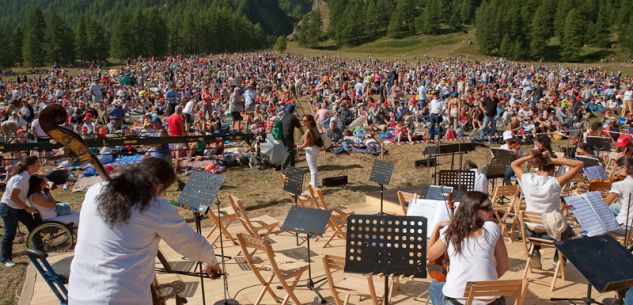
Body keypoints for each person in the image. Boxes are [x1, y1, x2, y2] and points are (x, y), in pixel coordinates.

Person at [68, 158, 221, 304]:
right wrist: (211, 261)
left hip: (78, 292)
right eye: (164, 192)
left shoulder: (95, 191)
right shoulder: (155, 206)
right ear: (159, 187)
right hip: (120, 296)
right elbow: (189, 243)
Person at [427, 191, 509, 305]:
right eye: (487, 207)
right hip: (491, 302)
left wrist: (437, 227)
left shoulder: (450, 231)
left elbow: (430, 255)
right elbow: (504, 266)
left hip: (457, 301)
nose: (493, 211)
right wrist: (484, 283)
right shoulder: (492, 227)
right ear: (474, 211)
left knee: (434, 287)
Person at [510, 149, 583, 269]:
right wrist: (553, 160)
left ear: (539, 167)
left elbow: (514, 164)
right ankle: (558, 259)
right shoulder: (555, 182)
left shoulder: (527, 179)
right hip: (550, 232)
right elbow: (579, 164)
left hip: (530, 229)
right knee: (570, 232)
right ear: (553, 170)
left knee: (538, 223)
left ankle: (534, 251)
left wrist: (530, 157)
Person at [1, 156, 41, 268]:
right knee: (10, 234)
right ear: (31, 166)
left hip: (17, 207)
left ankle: (38, 249)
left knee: (33, 226)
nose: (39, 166)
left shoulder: (26, 176)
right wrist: (26, 207)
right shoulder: (21, 178)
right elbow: (13, 197)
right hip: (9, 207)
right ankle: (5, 258)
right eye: (38, 164)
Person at [603, 156, 633, 236]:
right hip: (630, 222)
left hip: (624, 226)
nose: (616, 172)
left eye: (617, 169)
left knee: (597, 217)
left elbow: (603, 206)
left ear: (624, 168)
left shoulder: (619, 184)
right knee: (615, 207)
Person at [298, 115, 320, 187]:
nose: (303, 122)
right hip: (316, 148)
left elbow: (305, 144)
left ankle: (314, 185)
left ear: (310, 121)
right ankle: (312, 183)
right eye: (303, 121)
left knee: (312, 168)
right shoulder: (315, 128)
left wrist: (299, 147)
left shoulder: (308, 131)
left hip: (310, 149)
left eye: (305, 121)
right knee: (313, 167)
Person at [280, 104, 302, 170]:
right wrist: (304, 135)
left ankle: (292, 165)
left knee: (290, 149)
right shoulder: (293, 117)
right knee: (289, 151)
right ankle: (283, 165)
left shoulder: (283, 116)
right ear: (293, 110)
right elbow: (300, 128)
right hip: (288, 135)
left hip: (282, 135)